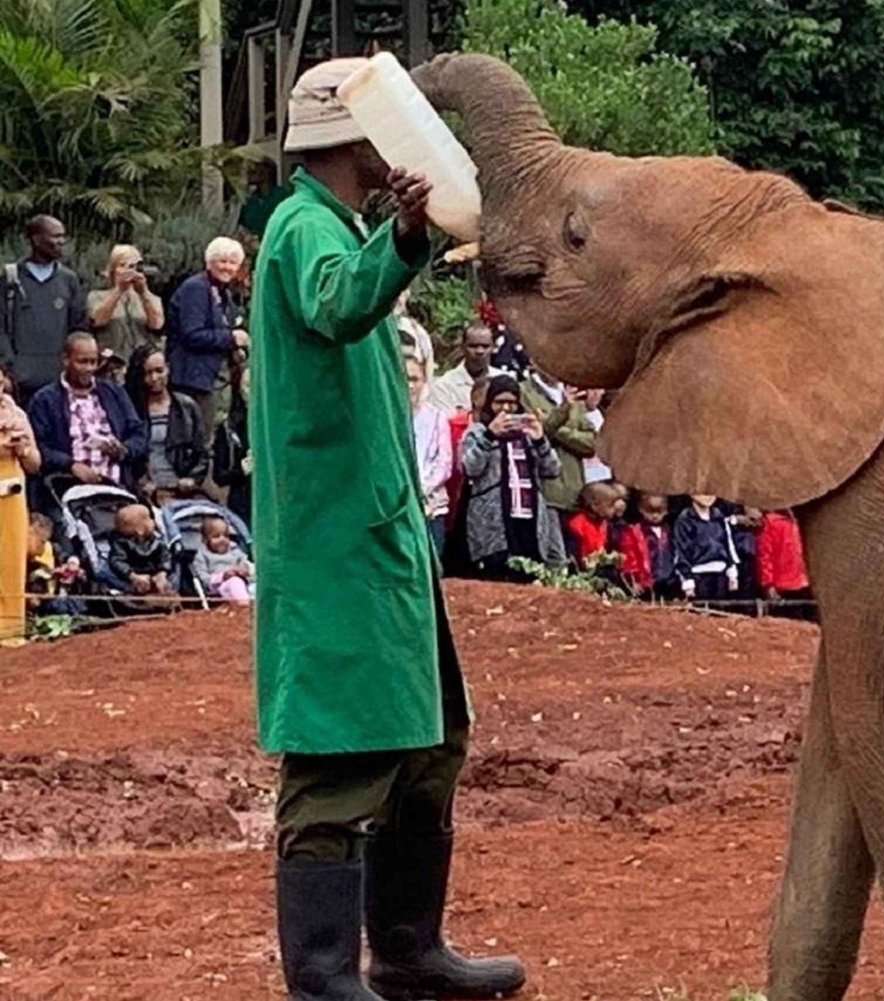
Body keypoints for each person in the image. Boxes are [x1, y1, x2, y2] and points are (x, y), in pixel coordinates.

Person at [251, 58, 525, 1001]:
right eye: (386, 130)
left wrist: (397, 237)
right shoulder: (301, 230)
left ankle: (408, 950)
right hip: (338, 546)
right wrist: (405, 236)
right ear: (351, 140)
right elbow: (336, 300)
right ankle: (324, 979)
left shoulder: (332, 225)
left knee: (431, 737)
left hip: (382, 541)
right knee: (339, 756)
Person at [459, 374, 567, 579]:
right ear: (490, 403)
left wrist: (540, 440)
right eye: (499, 402)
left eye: (511, 403)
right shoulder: (477, 431)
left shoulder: (527, 434)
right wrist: (489, 436)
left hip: (530, 518)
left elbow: (553, 470)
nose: (506, 409)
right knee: (496, 576)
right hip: (494, 522)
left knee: (529, 578)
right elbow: (469, 468)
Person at [27, 332, 146, 490]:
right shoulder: (45, 399)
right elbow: (39, 447)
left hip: (117, 484)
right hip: (67, 486)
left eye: (93, 362)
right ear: (66, 360)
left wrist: (123, 450)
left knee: (138, 514)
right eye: (82, 362)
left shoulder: (113, 392)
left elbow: (138, 434)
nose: (89, 368)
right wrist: (70, 465)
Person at [166, 237, 250, 446]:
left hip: (215, 380)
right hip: (193, 378)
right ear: (209, 261)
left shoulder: (225, 294)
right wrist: (230, 338)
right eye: (222, 261)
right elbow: (191, 334)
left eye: (233, 263)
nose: (227, 267)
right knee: (195, 439)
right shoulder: (195, 288)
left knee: (211, 437)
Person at [2, 215, 88, 401]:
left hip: (58, 382)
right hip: (19, 383)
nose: (61, 241)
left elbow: (78, 328)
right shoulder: (11, 279)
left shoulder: (68, 280)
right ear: (37, 239)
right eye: (55, 236)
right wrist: (7, 369)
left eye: (63, 236)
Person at [124, 347, 209, 504]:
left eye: (159, 371)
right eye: (148, 373)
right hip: (146, 491)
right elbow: (127, 455)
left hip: (182, 490)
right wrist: (140, 483)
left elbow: (202, 453)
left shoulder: (187, 406)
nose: (154, 378)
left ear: (168, 369)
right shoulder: (132, 408)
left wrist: (192, 479)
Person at [1, 364, 42, 639]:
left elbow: (35, 464)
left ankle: (10, 628)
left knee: (11, 557)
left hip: (12, 493)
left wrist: (22, 448)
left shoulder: (17, 413)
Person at [520, 368, 596, 514]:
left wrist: (556, 427)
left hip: (576, 493)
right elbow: (536, 435)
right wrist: (561, 412)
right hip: (545, 497)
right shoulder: (523, 392)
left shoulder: (573, 395)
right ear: (534, 361)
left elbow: (591, 444)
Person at [407, 356, 453, 558]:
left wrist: (421, 488)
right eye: (405, 378)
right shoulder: (388, 419)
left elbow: (444, 464)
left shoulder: (436, 417)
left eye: (415, 379)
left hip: (430, 506)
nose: (410, 385)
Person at [87, 245, 166, 358]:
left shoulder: (151, 298)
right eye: (123, 265)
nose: (129, 271)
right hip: (112, 360)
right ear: (113, 269)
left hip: (142, 362)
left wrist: (143, 292)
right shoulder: (96, 296)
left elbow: (157, 324)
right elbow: (98, 321)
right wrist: (119, 290)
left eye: (135, 266)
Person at [673, 493, 741, 601]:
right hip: (698, 576)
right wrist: (688, 581)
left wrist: (732, 573)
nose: (707, 497)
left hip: (721, 575)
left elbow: (728, 544)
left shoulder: (719, 516)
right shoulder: (685, 519)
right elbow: (681, 551)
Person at [106, 503, 176, 601]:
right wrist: (132, 576)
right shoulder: (120, 544)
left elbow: (165, 556)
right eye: (149, 519)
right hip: (132, 578)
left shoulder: (156, 541)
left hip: (154, 575)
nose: (153, 521)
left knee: (173, 576)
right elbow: (117, 561)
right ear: (140, 530)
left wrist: (162, 572)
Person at [212, 352, 251, 527]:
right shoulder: (228, 428)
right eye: (248, 386)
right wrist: (242, 470)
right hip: (242, 502)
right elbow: (219, 476)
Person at [428, 322, 498, 414]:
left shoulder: (505, 380)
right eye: (473, 346)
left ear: (493, 348)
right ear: (462, 347)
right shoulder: (444, 386)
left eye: (485, 346)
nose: (479, 351)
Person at [756, 509, 814, 617]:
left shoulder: (799, 521)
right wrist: (768, 584)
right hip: (783, 585)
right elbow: (764, 556)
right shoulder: (771, 522)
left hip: (803, 582)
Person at [192, 516, 254, 605]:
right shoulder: (202, 555)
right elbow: (204, 579)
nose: (222, 539)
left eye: (226, 535)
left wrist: (244, 569)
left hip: (244, 583)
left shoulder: (234, 550)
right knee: (235, 582)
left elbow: (244, 562)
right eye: (216, 536)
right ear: (205, 540)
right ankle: (245, 606)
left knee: (256, 586)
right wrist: (223, 576)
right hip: (221, 587)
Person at [630, 492, 678, 600]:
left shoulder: (669, 530)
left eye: (659, 512)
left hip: (669, 581)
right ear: (641, 510)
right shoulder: (636, 531)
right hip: (647, 582)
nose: (655, 516)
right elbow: (631, 558)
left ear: (666, 511)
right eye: (650, 512)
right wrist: (634, 580)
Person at [238, 158, 291, 237]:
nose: (249, 172)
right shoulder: (249, 199)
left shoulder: (282, 196)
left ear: (266, 172)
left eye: (254, 169)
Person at [395, 289, 436, 384]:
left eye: (400, 296)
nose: (397, 300)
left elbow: (428, 357)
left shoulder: (415, 329)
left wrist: (428, 385)